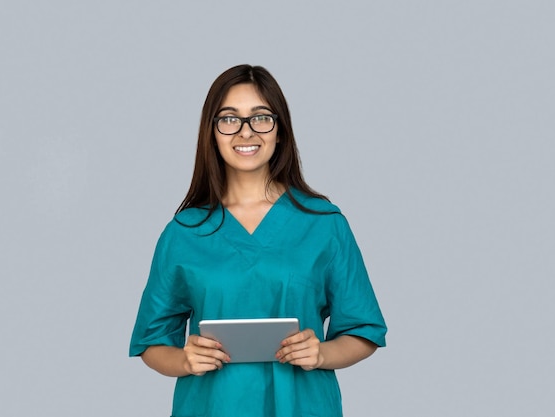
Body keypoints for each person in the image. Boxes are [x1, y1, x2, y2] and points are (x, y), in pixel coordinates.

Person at [130, 64, 387, 417]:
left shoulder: (324, 223)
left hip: (303, 406)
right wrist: (184, 359)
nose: (245, 132)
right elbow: (151, 341)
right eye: (229, 119)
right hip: (212, 407)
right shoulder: (184, 231)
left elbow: (363, 329)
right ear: (212, 133)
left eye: (261, 117)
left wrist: (323, 353)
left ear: (280, 130)